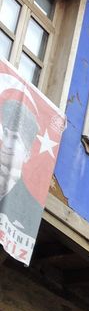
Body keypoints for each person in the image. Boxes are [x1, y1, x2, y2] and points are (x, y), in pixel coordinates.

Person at [0, 98, 42, 238]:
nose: (8, 144)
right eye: (6, 134)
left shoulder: (30, 207)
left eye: (16, 138)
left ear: (27, 155)